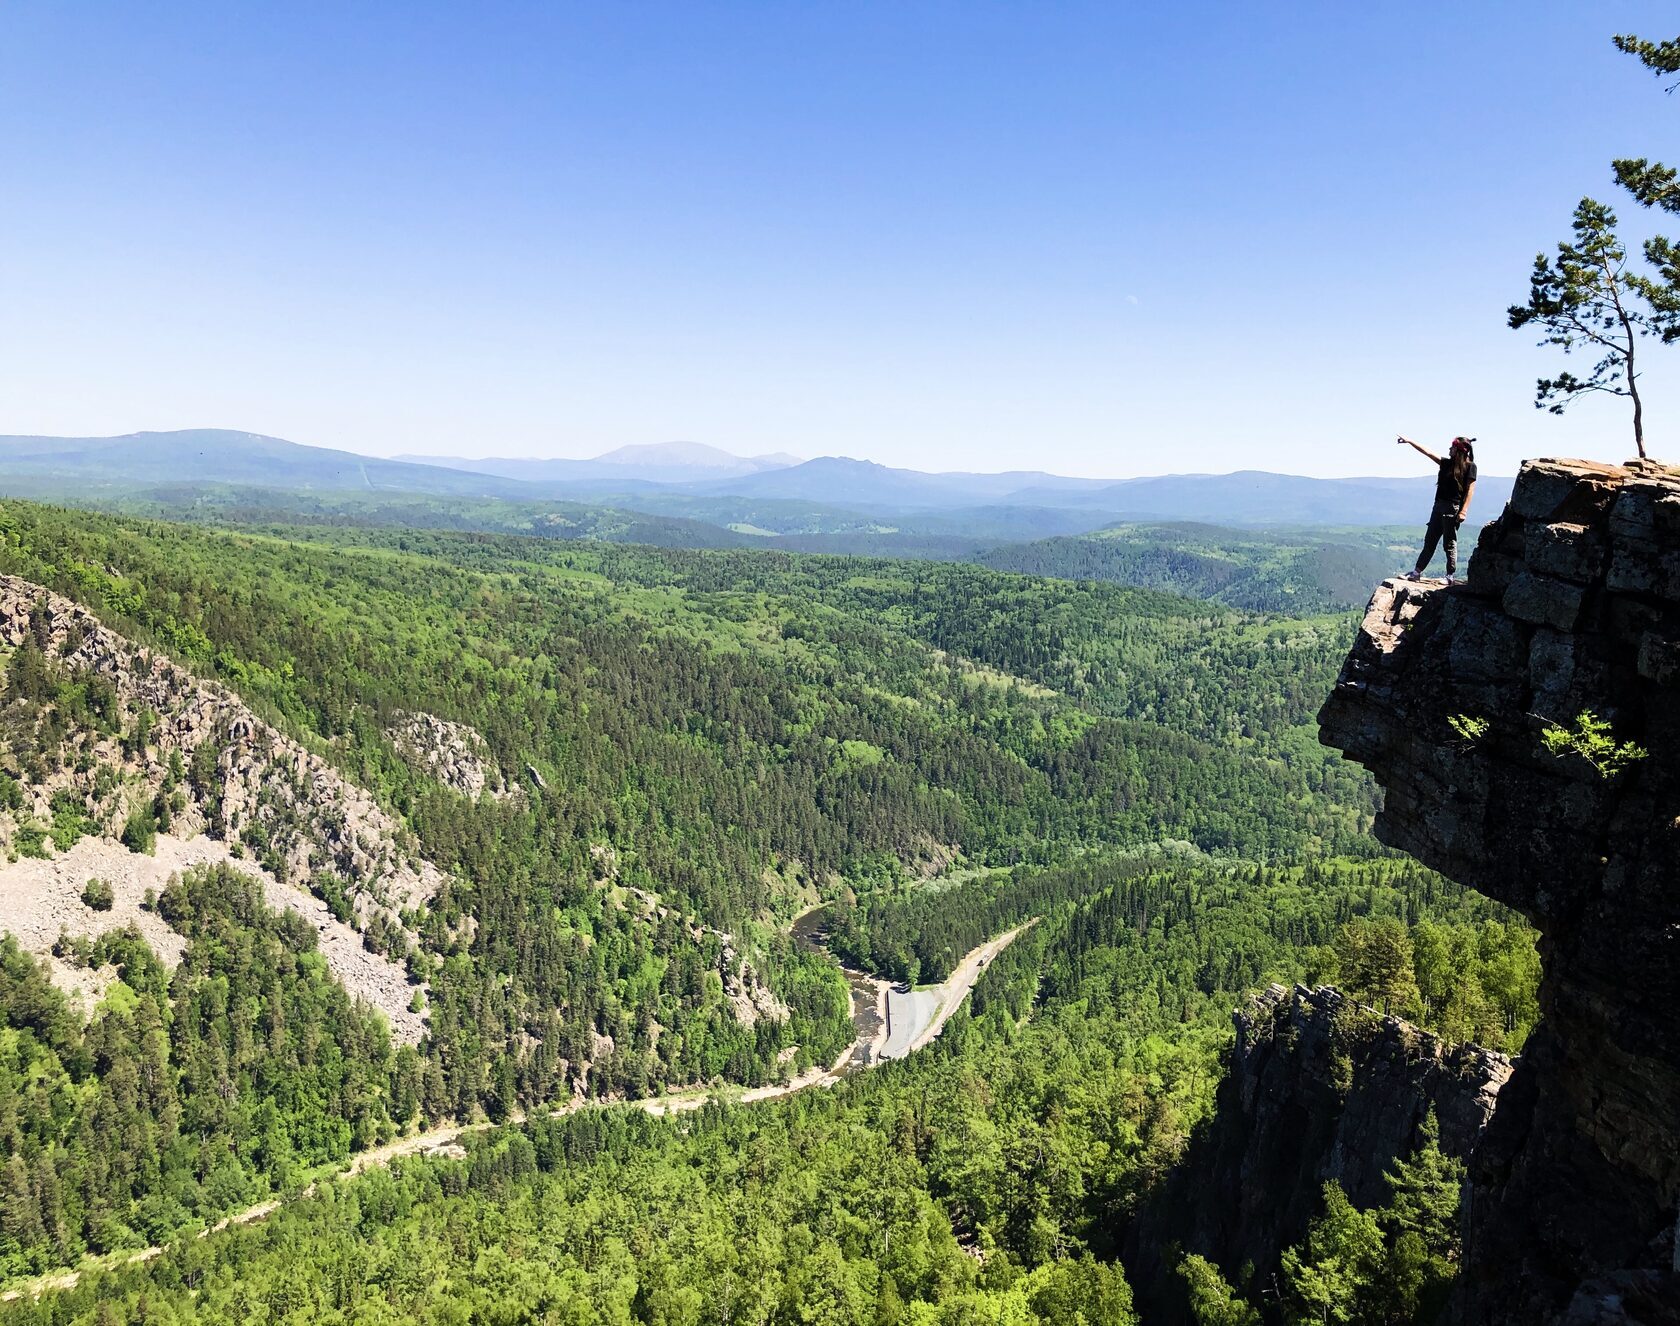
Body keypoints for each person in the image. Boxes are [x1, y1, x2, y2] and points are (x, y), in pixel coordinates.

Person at [1397, 435, 1477, 583]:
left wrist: (1464, 511)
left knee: (1449, 542)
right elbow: (1427, 452)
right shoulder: (1446, 463)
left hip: (1452, 508)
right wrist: (1410, 441)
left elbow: (1470, 490)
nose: (1449, 449)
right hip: (1439, 506)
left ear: (1459, 450)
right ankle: (1416, 572)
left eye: (1452, 447)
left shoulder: (1470, 467)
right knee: (1430, 541)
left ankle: (1449, 576)